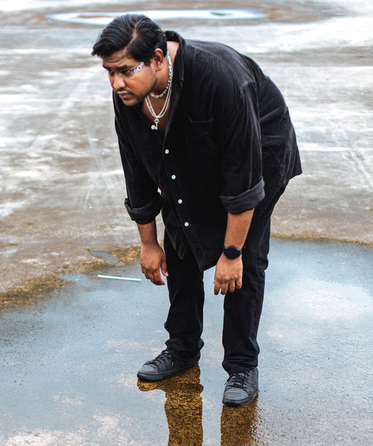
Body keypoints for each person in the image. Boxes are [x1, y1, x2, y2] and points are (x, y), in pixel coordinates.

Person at [92, 14, 302, 407]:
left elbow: (242, 180)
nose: (116, 83)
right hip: (189, 150)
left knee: (244, 262)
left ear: (157, 59)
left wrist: (231, 253)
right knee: (180, 237)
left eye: (123, 71)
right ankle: (183, 347)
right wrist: (148, 242)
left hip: (261, 152)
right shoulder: (129, 94)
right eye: (108, 73)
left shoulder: (220, 78)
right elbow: (136, 171)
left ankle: (242, 365)